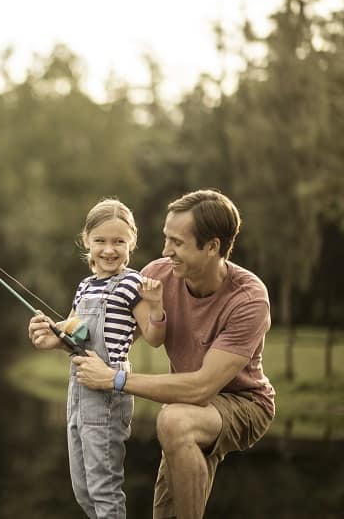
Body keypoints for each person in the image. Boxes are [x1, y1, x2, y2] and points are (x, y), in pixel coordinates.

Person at [65, 189, 275, 519]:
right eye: (166, 238)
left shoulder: (248, 299)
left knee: (174, 420)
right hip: (185, 403)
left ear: (212, 247)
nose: (165, 251)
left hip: (242, 402)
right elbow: (114, 335)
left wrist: (116, 379)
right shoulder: (158, 276)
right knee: (166, 512)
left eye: (177, 242)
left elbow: (203, 388)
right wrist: (60, 335)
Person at [28, 198, 166, 519]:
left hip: (108, 395)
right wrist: (53, 335)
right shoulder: (84, 286)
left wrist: (157, 305)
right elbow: (77, 337)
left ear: (132, 241)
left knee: (104, 490)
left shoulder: (132, 284)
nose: (109, 249)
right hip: (77, 392)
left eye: (119, 241)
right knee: (83, 490)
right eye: (101, 241)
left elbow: (156, 338)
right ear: (87, 240)